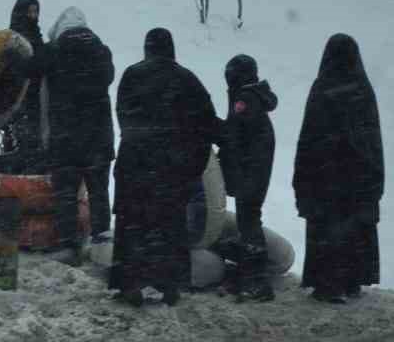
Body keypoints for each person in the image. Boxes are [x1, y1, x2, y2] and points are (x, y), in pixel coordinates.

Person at [109, 28, 219, 307]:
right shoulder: (187, 80)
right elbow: (205, 127)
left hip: (134, 167)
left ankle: (129, 283)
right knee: (168, 227)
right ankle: (168, 285)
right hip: (170, 171)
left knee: (132, 226)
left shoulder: (132, 75)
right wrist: (189, 168)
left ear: (147, 48)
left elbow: (123, 117)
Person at [293, 33, 384, 304]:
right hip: (356, 177)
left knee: (327, 229)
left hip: (326, 176)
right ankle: (352, 279)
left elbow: (308, 136)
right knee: (352, 228)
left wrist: (303, 178)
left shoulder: (323, 88)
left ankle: (329, 284)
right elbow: (372, 140)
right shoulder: (363, 90)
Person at [41, 7, 117, 265]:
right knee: (99, 192)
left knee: (65, 193)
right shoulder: (102, 51)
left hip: (66, 137)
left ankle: (68, 246)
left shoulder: (53, 51)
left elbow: (28, 69)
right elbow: (108, 76)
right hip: (98, 136)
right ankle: (101, 243)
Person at [220, 54, 278, 300]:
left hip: (250, 172)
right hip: (255, 170)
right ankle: (250, 276)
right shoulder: (253, 97)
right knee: (249, 219)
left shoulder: (244, 100)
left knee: (249, 220)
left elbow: (234, 136)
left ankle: (256, 281)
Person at [0, 0, 47, 162]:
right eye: (30, 12)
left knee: (29, 151)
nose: (33, 16)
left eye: (35, 12)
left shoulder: (36, 37)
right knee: (21, 152)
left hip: (34, 104)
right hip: (18, 104)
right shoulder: (11, 40)